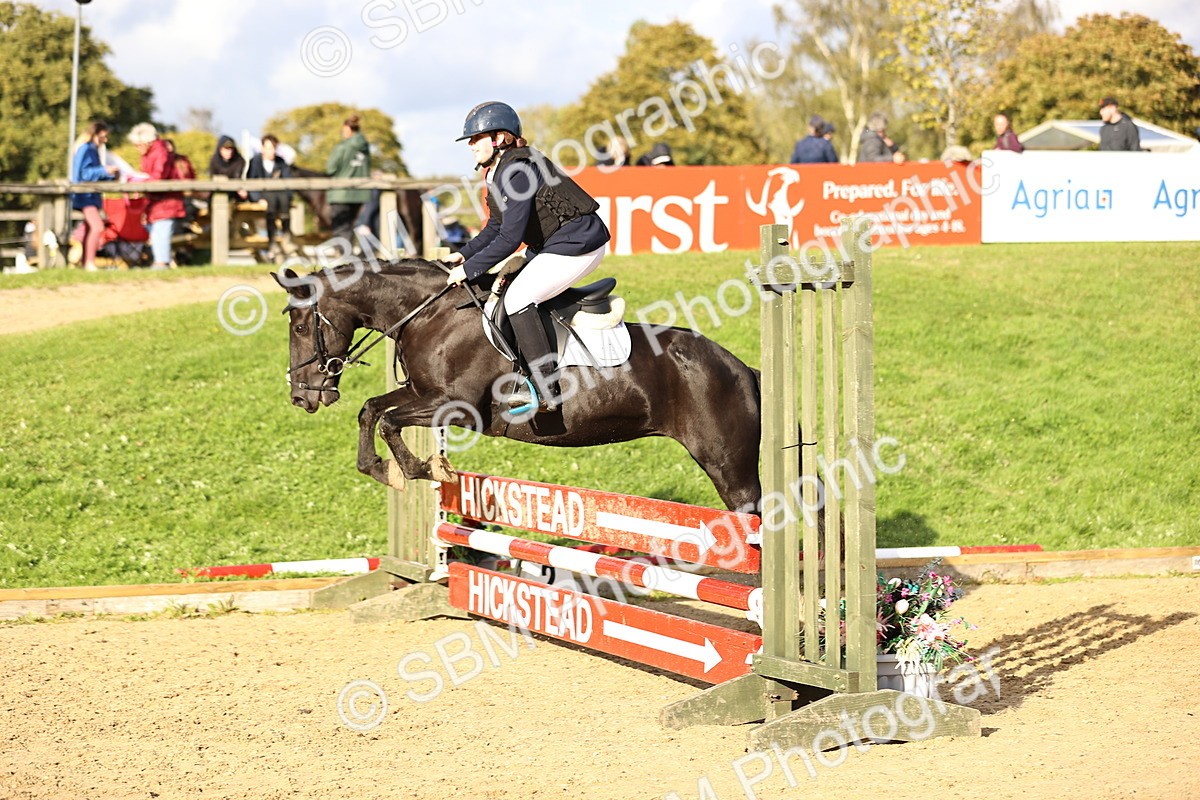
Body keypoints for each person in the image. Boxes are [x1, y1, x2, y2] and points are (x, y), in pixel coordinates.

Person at [443, 101, 610, 415]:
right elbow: (495, 226)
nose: (470, 145)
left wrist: (469, 270)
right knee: (505, 290)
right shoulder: (497, 172)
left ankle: (547, 388)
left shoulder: (518, 170)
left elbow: (510, 239)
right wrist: (462, 254)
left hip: (579, 243)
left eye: (475, 138)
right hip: (554, 244)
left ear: (500, 138)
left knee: (518, 297)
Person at [128, 122, 186, 269]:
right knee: (155, 231)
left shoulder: (160, 152)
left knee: (161, 231)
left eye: (138, 144)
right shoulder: (151, 153)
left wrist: (141, 181)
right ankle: (160, 261)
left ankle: (161, 262)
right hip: (156, 201)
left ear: (146, 141)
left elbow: (158, 176)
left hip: (166, 200)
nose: (136, 148)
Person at [71, 121, 119, 271]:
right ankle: (89, 262)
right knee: (97, 227)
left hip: (90, 196)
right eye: (103, 136)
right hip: (85, 196)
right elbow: (84, 173)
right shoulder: (85, 149)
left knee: (90, 228)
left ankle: (86, 262)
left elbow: (93, 173)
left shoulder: (92, 150)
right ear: (96, 134)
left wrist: (110, 176)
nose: (105, 139)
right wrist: (105, 171)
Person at [246, 134, 293, 259]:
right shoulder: (255, 161)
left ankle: (286, 237)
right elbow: (251, 181)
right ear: (262, 148)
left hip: (280, 197)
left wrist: (289, 197)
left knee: (283, 200)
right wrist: (257, 198)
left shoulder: (280, 162)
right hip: (264, 196)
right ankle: (272, 242)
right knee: (271, 205)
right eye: (268, 148)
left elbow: (288, 182)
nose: (270, 151)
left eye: (273, 148)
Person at [326, 114, 371, 243]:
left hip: (341, 193)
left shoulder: (341, 147)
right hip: (360, 193)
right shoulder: (365, 147)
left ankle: (344, 256)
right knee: (351, 225)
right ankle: (349, 255)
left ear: (347, 129)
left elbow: (331, 168)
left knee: (341, 227)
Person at [209, 135, 248, 200]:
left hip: (234, 193)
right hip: (217, 192)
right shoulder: (214, 161)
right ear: (220, 149)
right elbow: (213, 178)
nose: (229, 152)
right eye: (226, 149)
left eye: (231, 149)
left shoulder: (239, 161)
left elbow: (237, 178)